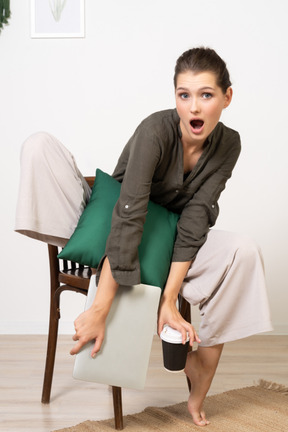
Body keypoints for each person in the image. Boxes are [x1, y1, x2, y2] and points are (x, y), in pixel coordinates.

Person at [15, 47, 272, 426]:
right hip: (120, 223)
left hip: (170, 243)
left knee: (244, 251)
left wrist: (169, 299)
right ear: (175, 98)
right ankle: (99, 259)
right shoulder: (155, 129)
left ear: (226, 97)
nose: (194, 107)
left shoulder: (228, 144)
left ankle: (202, 368)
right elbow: (130, 211)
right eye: (184, 95)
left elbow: (197, 217)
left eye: (206, 95)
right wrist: (100, 309)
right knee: (39, 145)